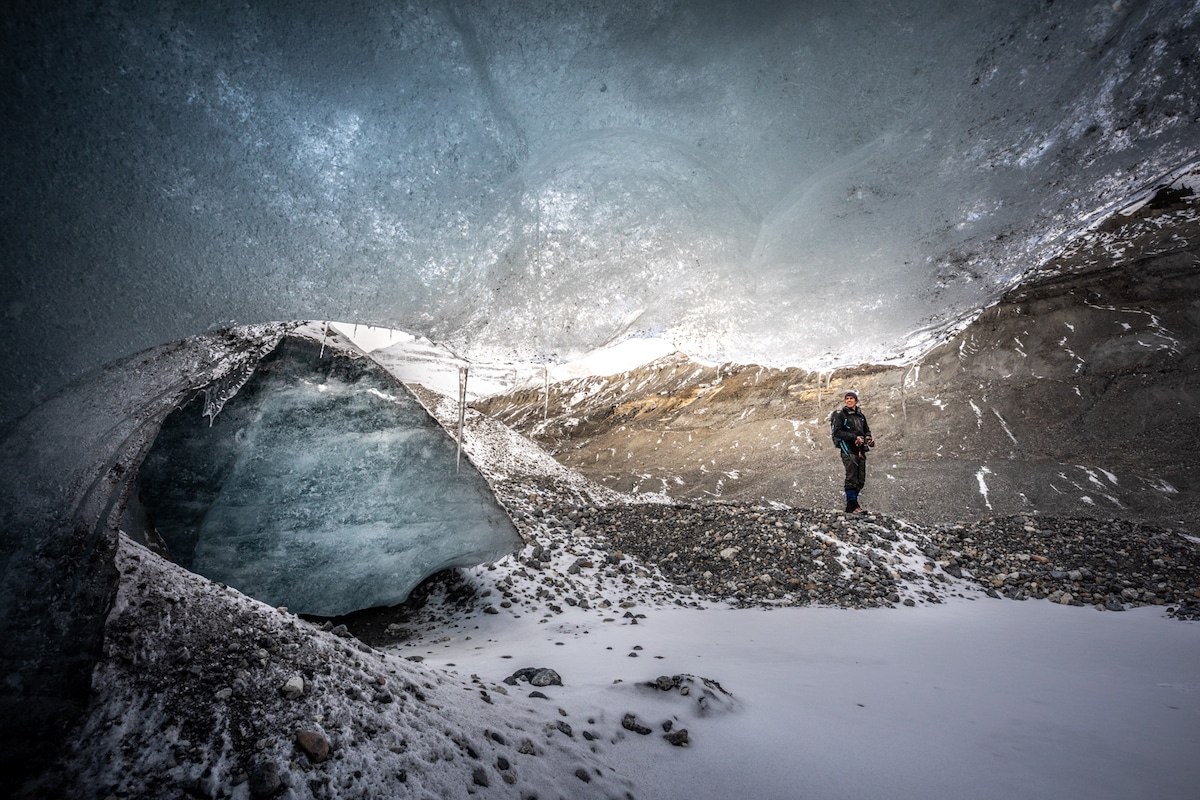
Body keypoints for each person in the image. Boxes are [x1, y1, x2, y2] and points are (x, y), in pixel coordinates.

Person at [830, 390, 874, 513]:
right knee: (851, 477)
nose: (849, 400)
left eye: (851, 398)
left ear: (856, 400)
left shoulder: (861, 416)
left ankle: (852, 505)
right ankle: (852, 506)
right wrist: (854, 437)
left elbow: (867, 430)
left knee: (861, 480)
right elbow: (837, 432)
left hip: (860, 451)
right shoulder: (842, 415)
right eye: (847, 399)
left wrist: (868, 438)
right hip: (847, 449)